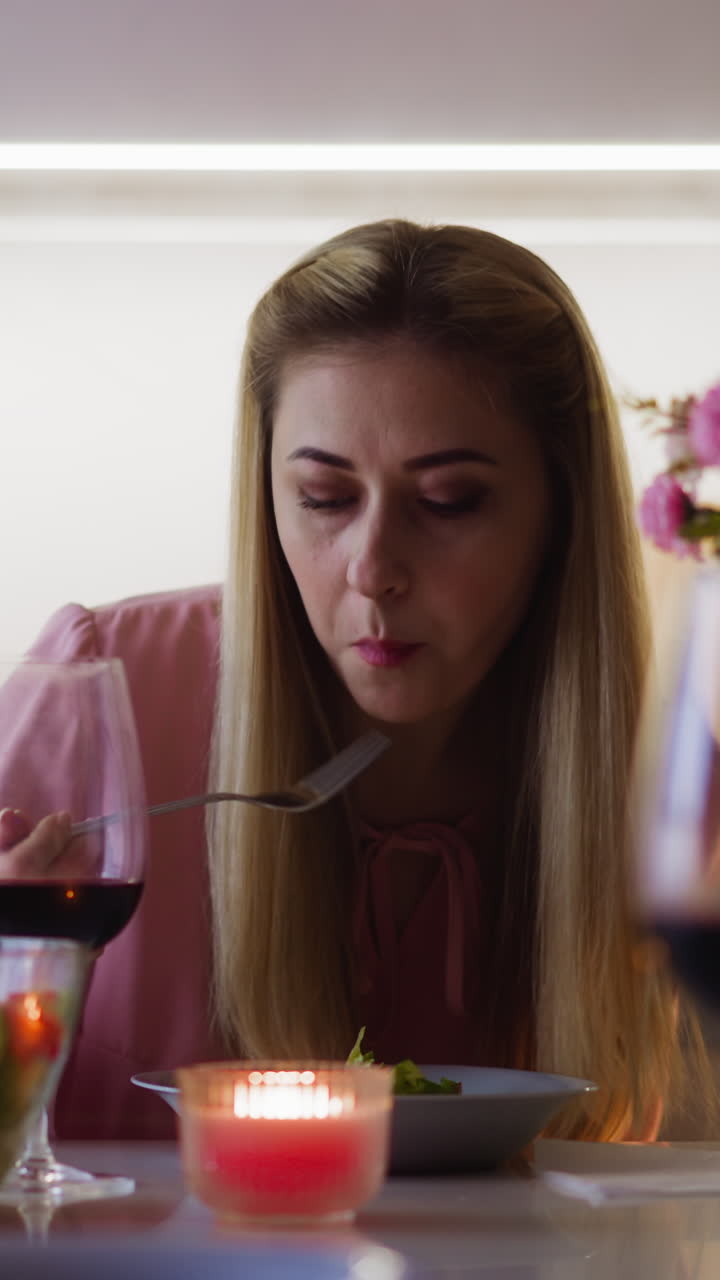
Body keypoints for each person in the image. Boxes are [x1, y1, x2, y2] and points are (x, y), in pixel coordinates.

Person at [0, 219, 707, 1143]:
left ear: (561, 514)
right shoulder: (108, 687)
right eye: (325, 499)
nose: (374, 568)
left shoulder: (669, 763)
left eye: (449, 502)